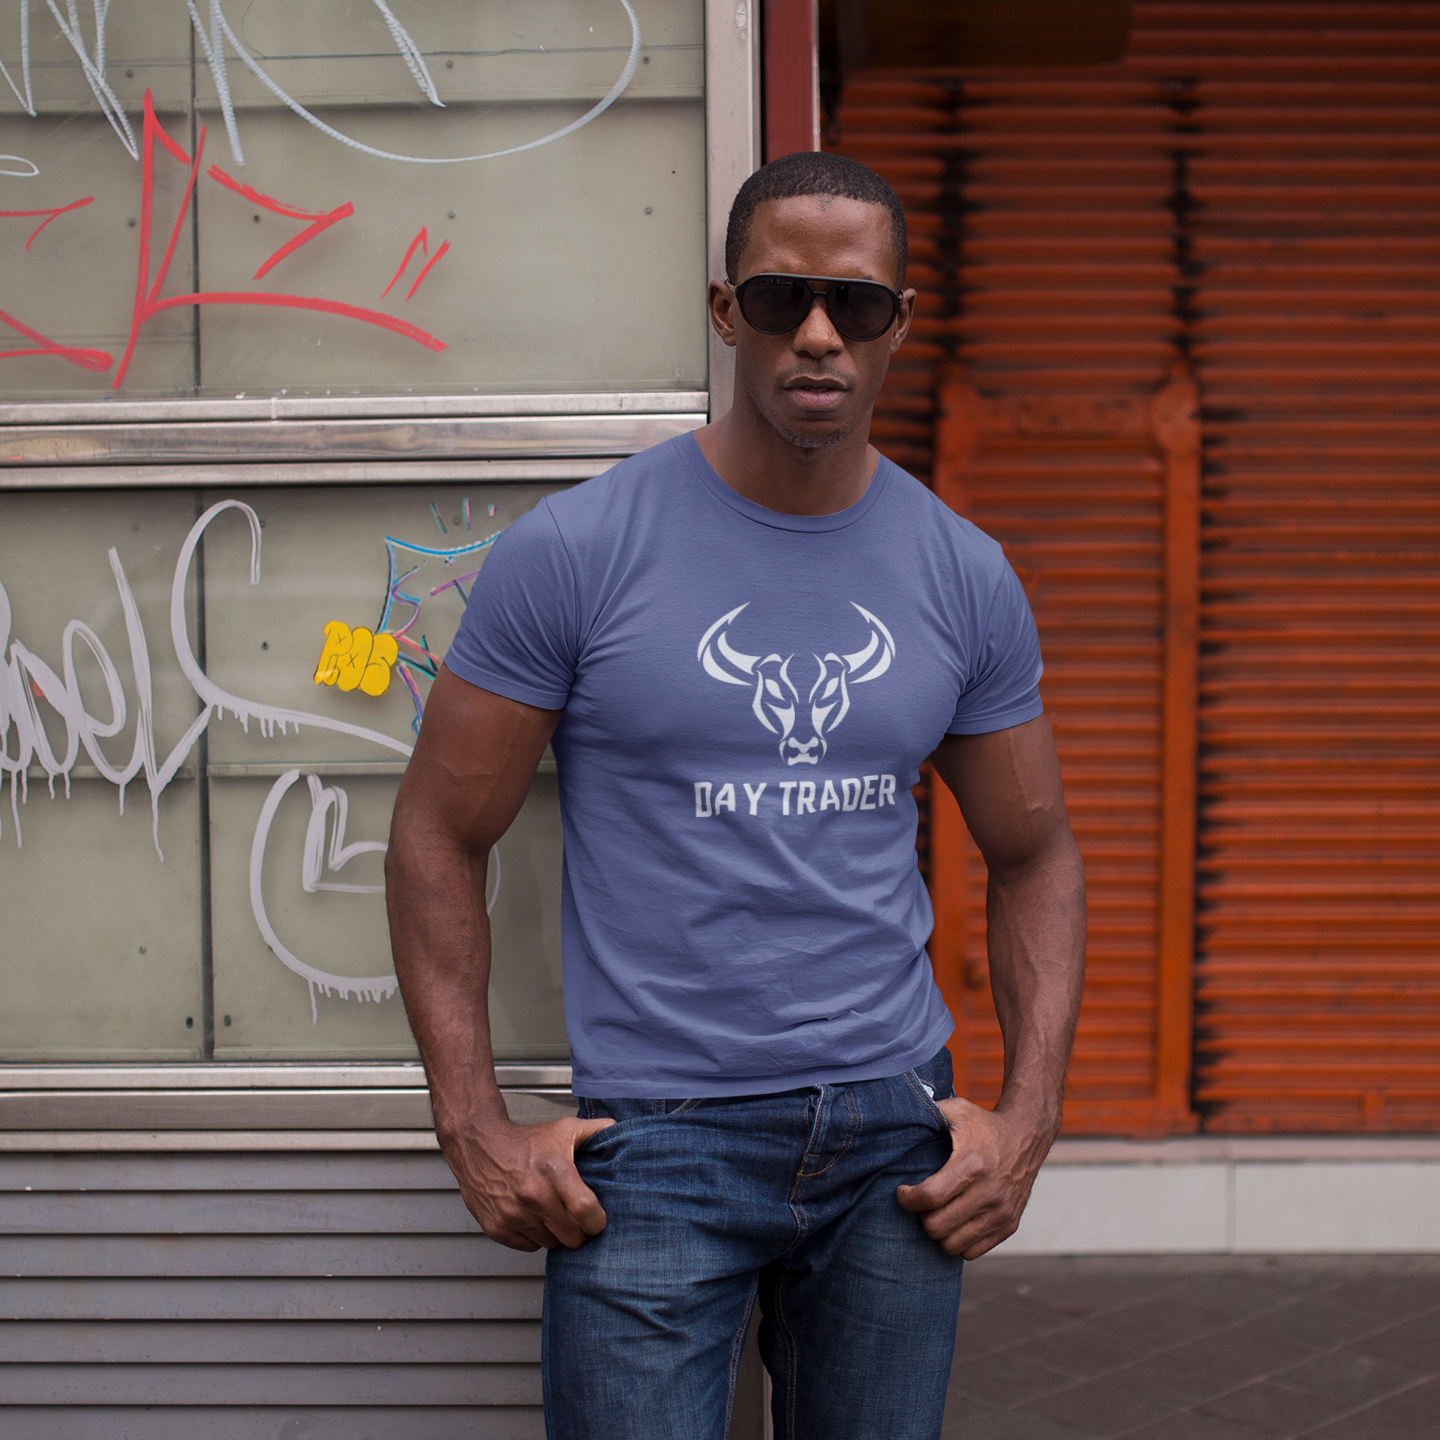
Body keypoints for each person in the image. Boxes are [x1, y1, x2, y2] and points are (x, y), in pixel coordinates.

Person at [386, 150, 1086, 1440]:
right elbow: (438, 829)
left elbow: (1034, 854)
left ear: (898, 324)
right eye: (779, 300)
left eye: (856, 306)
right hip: (653, 1142)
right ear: (727, 312)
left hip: (893, 1129)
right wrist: (474, 1127)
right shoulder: (579, 551)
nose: (817, 336)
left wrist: (1028, 1122)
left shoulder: (962, 572)